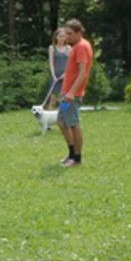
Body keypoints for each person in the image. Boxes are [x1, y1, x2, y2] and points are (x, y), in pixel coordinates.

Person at [58, 19, 92, 167]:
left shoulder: (82, 47)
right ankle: (71, 153)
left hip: (72, 95)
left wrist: (72, 92)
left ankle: (77, 158)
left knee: (73, 124)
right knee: (61, 122)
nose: (67, 37)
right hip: (66, 93)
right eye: (66, 33)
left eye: (70, 33)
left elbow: (83, 72)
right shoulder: (76, 47)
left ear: (79, 33)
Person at [43, 27, 70, 110]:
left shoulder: (69, 48)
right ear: (56, 37)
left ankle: (64, 114)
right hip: (55, 77)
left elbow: (70, 64)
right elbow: (51, 63)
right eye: (60, 36)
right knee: (53, 98)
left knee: (64, 99)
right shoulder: (52, 48)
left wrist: (66, 74)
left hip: (66, 76)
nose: (62, 38)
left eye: (63, 36)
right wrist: (53, 75)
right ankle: (49, 115)